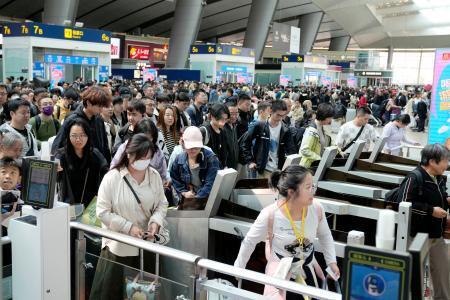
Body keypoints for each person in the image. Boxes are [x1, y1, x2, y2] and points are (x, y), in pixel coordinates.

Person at [234, 165, 339, 299]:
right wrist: (237, 270)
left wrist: (332, 263)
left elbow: (325, 236)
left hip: (307, 271)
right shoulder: (270, 214)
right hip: (280, 274)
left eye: (313, 186)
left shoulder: (316, 208)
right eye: (308, 187)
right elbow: (249, 241)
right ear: (291, 192)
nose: (313, 191)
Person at [90, 133, 168, 300]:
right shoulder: (112, 178)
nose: (144, 161)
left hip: (147, 246)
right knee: (113, 293)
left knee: (146, 294)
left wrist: (155, 221)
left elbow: (162, 204)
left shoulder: (153, 176)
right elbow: (102, 211)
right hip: (119, 249)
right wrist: (128, 227)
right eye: (140, 157)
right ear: (129, 154)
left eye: (148, 157)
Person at [397, 144, 449, 300]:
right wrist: (431, 211)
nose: (447, 164)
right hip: (416, 237)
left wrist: (447, 199)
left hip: (436, 234)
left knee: (443, 272)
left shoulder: (439, 177)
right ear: (432, 161)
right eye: (445, 161)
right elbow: (404, 204)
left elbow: (440, 196)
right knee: (415, 278)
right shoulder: (414, 177)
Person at [51, 86, 112, 163]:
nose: (101, 109)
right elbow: (57, 146)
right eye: (99, 106)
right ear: (88, 103)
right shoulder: (72, 120)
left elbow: (104, 145)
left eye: (102, 106)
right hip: (75, 166)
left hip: (96, 167)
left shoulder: (98, 119)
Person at [55, 118, 108, 205]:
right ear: (68, 136)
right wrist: (55, 171)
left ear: (88, 135)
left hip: (91, 205)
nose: (78, 139)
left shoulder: (95, 155)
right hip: (68, 204)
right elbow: (55, 180)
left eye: (82, 135)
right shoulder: (61, 155)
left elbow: (106, 174)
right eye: (74, 135)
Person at [241, 100, 296, 178]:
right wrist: (250, 161)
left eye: (283, 115)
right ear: (271, 111)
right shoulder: (259, 126)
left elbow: (291, 150)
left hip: (279, 170)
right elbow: (245, 143)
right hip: (263, 169)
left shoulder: (286, 130)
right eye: (278, 115)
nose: (280, 118)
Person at [170, 126, 220, 208]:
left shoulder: (211, 159)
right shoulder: (179, 159)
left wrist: (196, 200)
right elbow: (174, 178)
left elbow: (210, 184)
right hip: (188, 200)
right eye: (190, 147)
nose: (193, 150)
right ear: (183, 144)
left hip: (208, 201)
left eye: (196, 147)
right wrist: (184, 192)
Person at [299, 103, 334, 168]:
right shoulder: (311, 130)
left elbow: (330, 142)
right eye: (329, 118)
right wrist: (319, 159)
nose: (330, 120)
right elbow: (304, 150)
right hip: (308, 167)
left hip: (316, 165)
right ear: (324, 116)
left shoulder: (323, 127)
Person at [200, 103, 229, 168]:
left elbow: (224, 152)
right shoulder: (204, 130)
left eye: (225, 119)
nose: (223, 122)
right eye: (221, 119)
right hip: (206, 170)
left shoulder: (223, 131)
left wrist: (224, 165)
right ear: (212, 117)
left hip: (219, 169)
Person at [223, 101, 239, 169]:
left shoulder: (234, 126)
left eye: (236, 113)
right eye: (231, 114)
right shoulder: (222, 128)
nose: (234, 116)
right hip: (226, 167)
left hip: (234, 165)